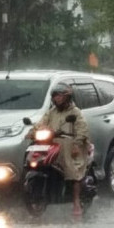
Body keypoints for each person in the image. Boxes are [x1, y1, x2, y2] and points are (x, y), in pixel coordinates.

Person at [31, 82, 90, 216]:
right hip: (52, 143)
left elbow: (82, 129)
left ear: (67, 97)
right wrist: (31, 132)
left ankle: (76, 202)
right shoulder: (51, 112)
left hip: (71, 144)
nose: (57, 98)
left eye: (60, 96)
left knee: (72, 170)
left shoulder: (76, 112)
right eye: (55, 96)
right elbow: (40, 124)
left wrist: (77, 143)